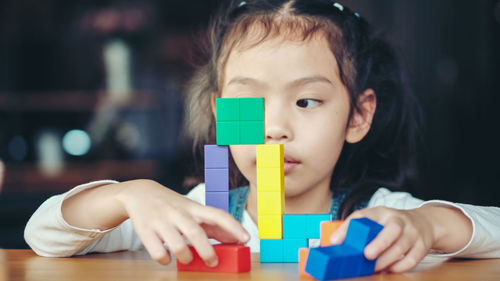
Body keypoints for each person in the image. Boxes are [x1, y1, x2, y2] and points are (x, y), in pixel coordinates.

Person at [25, 0, 500, 274]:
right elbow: (41, 234)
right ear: (220, 115)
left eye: (306, 102)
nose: (273, 129)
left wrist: (431, 225)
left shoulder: (380, 218)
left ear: (358, 116)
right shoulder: (196, 216)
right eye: (247, 106)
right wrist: (130, 196)